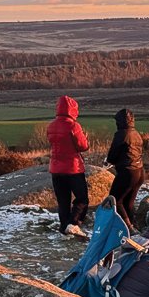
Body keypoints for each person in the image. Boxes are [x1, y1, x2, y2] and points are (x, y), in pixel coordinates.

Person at [47, 95, 90, 237]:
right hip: (73, 168)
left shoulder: (51, 125)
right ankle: (74, 223)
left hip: (56, 168)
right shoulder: (73, 126)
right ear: (73, 110)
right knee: (82, 198)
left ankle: (64, 227)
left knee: (63, 201)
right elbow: (83, 146)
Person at [105, 108, 144, 231]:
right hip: (140, 171)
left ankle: (129, 228)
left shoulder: (121, 134)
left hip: (128, 171)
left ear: (120, 121)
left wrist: (109, 161)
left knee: (115, 199)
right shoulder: (136, 133)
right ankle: (134, 226)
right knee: (128, 203)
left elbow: (112, 156)